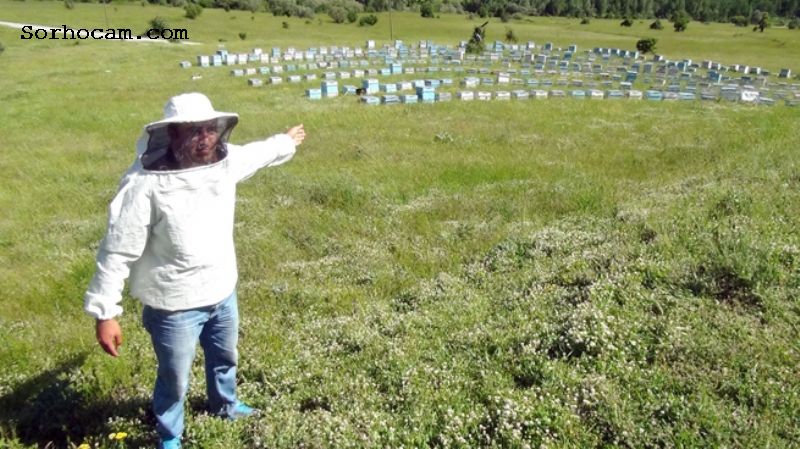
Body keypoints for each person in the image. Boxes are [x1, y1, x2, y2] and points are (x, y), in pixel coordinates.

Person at [83, 92, 305, 449]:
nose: (205, 139)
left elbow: (258, 153)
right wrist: (105, 312)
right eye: (194, 131)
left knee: (225, 358)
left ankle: (225, 406)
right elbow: (117, 249)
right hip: (174, 304)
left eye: (210, 129)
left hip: (222, 289)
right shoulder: (145, 183)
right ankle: (170, 435)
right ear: (172, 134)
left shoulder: (224, 163)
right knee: (175, 378)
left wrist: (286, 140)